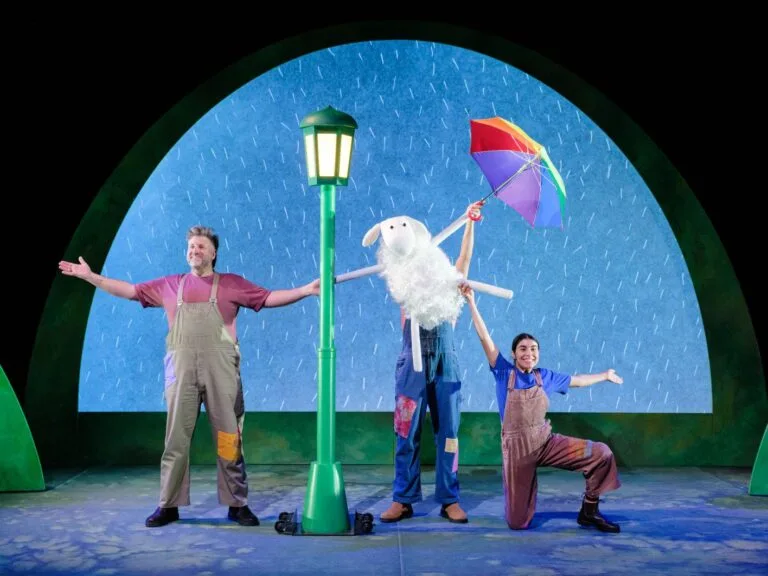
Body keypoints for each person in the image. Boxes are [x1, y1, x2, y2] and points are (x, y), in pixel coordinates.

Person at [58, 225, 319, 528]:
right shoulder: (170, 285)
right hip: (181, 373)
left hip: (221, 372)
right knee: (176, 440)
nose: (195, 250)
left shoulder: (231, 284)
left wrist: (304, 290)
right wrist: (91, 277)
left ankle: (237, 504)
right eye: (191, 247)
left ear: (213, 253)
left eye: (201, 246)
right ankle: (168, 505)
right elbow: (129, 291)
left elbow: (269, 297)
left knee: (229, 439)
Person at [461, 284, 624, 532]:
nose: (529, 353)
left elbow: (578, 380)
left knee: (601, 453)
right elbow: (484, 337)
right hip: (517, 451)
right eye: (523, 349)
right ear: (513, 354)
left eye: (533, 349)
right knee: (517, 523)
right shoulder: (504, 372)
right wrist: (472, 302)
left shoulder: (545, 376)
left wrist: (604, 375)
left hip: (546, 442)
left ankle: (589, 511)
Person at [380, 202, 483, 524]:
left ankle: (449, 499)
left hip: (445, 366)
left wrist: (469, 222)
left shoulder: (450, 287)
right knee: (405, 432)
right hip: (411, 366)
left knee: (449, 434)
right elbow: (398, 255)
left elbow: (464, 259)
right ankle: (403, 499)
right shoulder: (405, 283)